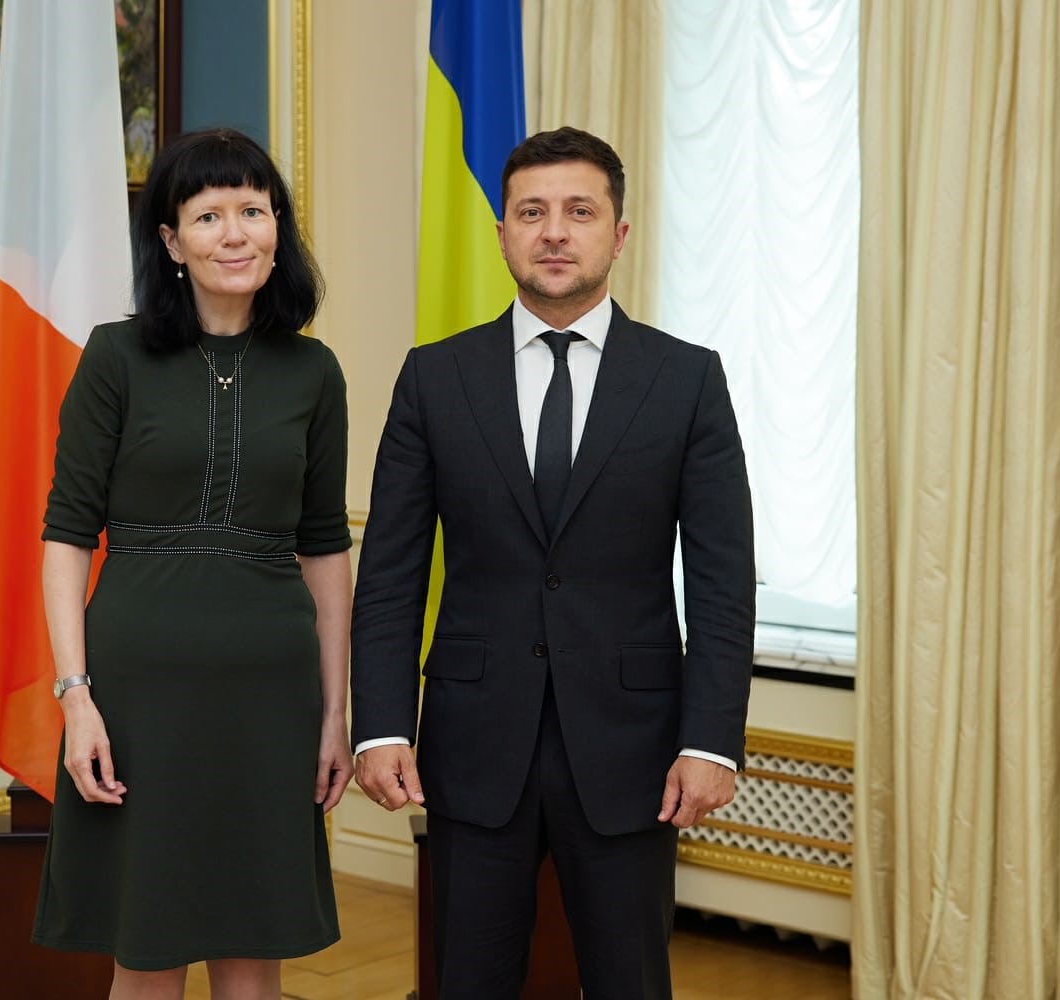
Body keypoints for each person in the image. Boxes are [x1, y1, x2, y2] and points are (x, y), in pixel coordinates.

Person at [350, 126, 755, 999]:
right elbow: (390, 570)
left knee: (630, 981)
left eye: (580, 211)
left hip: (634, 751)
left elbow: (723, 580)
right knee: (468, 981)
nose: (555, 232)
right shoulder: (434, 378)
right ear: (501, 233)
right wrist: (381, 725)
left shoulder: (688, 381)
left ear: (620, 232)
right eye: (532, 212)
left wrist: (711, 740)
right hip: (471, 743)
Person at [32, 128, 353, 1000]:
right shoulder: (115, 356)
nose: (236, 232)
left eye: (254, 209)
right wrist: (76, 698)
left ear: (278, 228)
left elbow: (325, 547)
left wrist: (335, 713)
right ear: (171, 241)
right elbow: (66, 535)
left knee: (254, 954)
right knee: (147, 949)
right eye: (209, 215)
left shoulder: (315, 372)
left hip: (273, 695)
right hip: (138, 694)